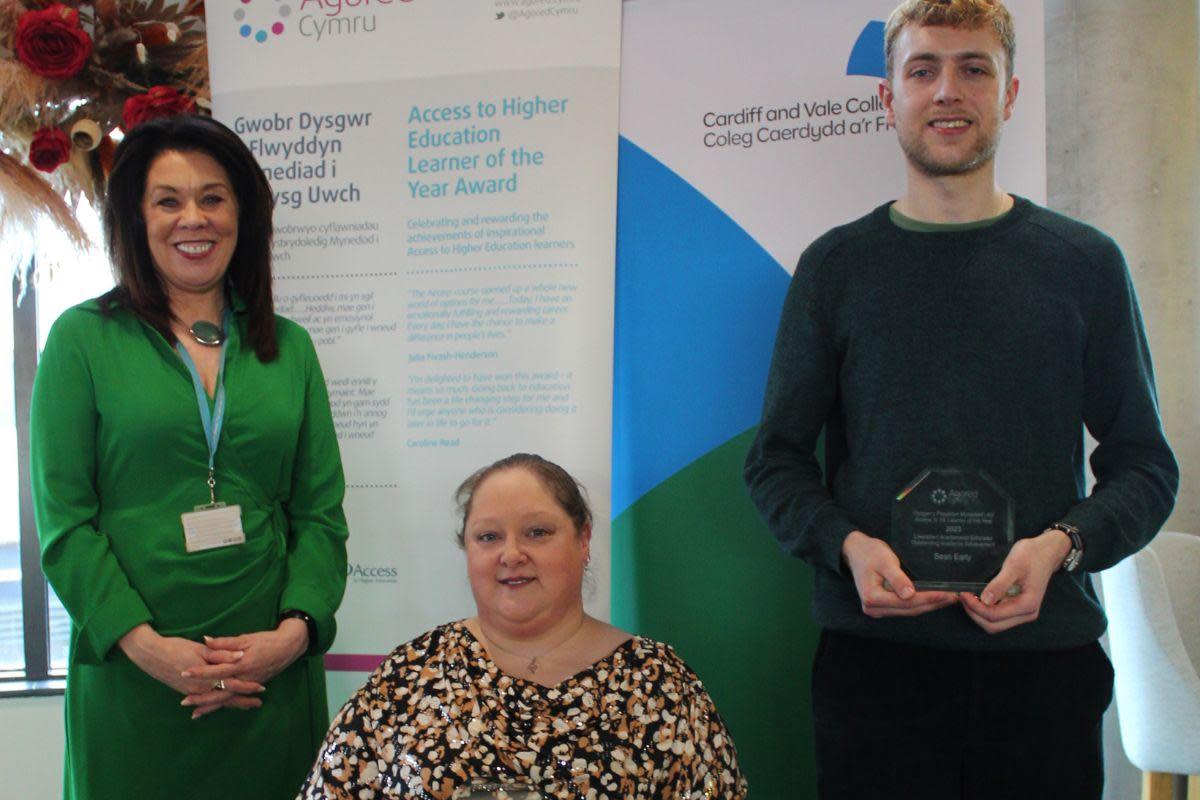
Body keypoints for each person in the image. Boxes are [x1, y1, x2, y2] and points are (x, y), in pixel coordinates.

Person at [743, 1, 1178, 798]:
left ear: (1009, 93)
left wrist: (1062, 548)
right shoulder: (835, 270)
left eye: (974, 67)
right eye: (923, 69)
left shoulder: (1083, 265)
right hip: (876, 675)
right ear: (888, 99)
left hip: (1043, 674)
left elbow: (1146, 468)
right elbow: (774, 462)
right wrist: (846, 546)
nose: (949, 91)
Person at [30, 114, 349, 800]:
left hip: (269, 681)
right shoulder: (81, 341)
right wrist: (148, 648)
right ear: (136, 220)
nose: (192, 218)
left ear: (243, 214)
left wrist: (291, 639)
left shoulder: (287, 347)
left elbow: (320, 516)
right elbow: (65, 525)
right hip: (135, 680)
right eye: (167, 200)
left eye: (213, 197)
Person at [298, 453, 747, 799]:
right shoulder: (410, 674)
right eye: (488, 537)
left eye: (537, 532)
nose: (511, 555)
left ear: (583, 538)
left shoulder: (659, 683)